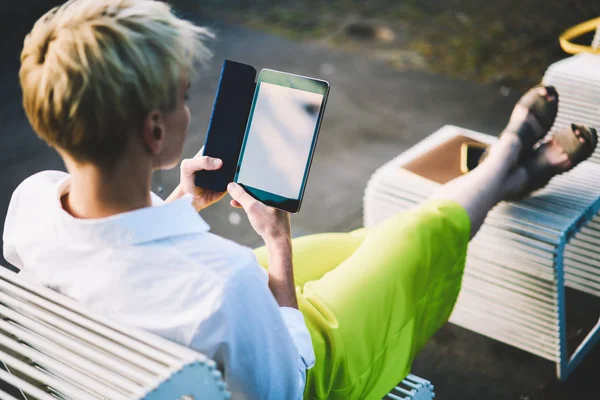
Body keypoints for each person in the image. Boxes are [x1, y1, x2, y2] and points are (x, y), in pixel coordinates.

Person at [3, 0, 597, 398]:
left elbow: (117, 263)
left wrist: (182, 201)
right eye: (183, 98)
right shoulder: (223, 283)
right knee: (414, 236)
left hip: (144, 349)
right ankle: (502, 166)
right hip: (304, 366)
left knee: (348, 245)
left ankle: (505, 179)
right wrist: (278, 249)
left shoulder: (29, 207)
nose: (191, 109)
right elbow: (288, 382)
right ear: (155, 131)